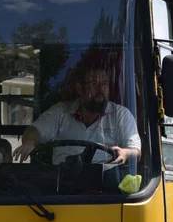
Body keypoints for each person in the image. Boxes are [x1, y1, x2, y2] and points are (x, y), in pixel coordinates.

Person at [12, 58, 141, 166]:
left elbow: (136, 151)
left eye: (104, 84)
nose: (100, 89)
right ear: (79, 89)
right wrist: (30, 142)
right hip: (62, 185)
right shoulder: (61, 112)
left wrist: (126, 153)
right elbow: (34, 130)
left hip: (106, 187)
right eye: (93, 83)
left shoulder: (120, 115)